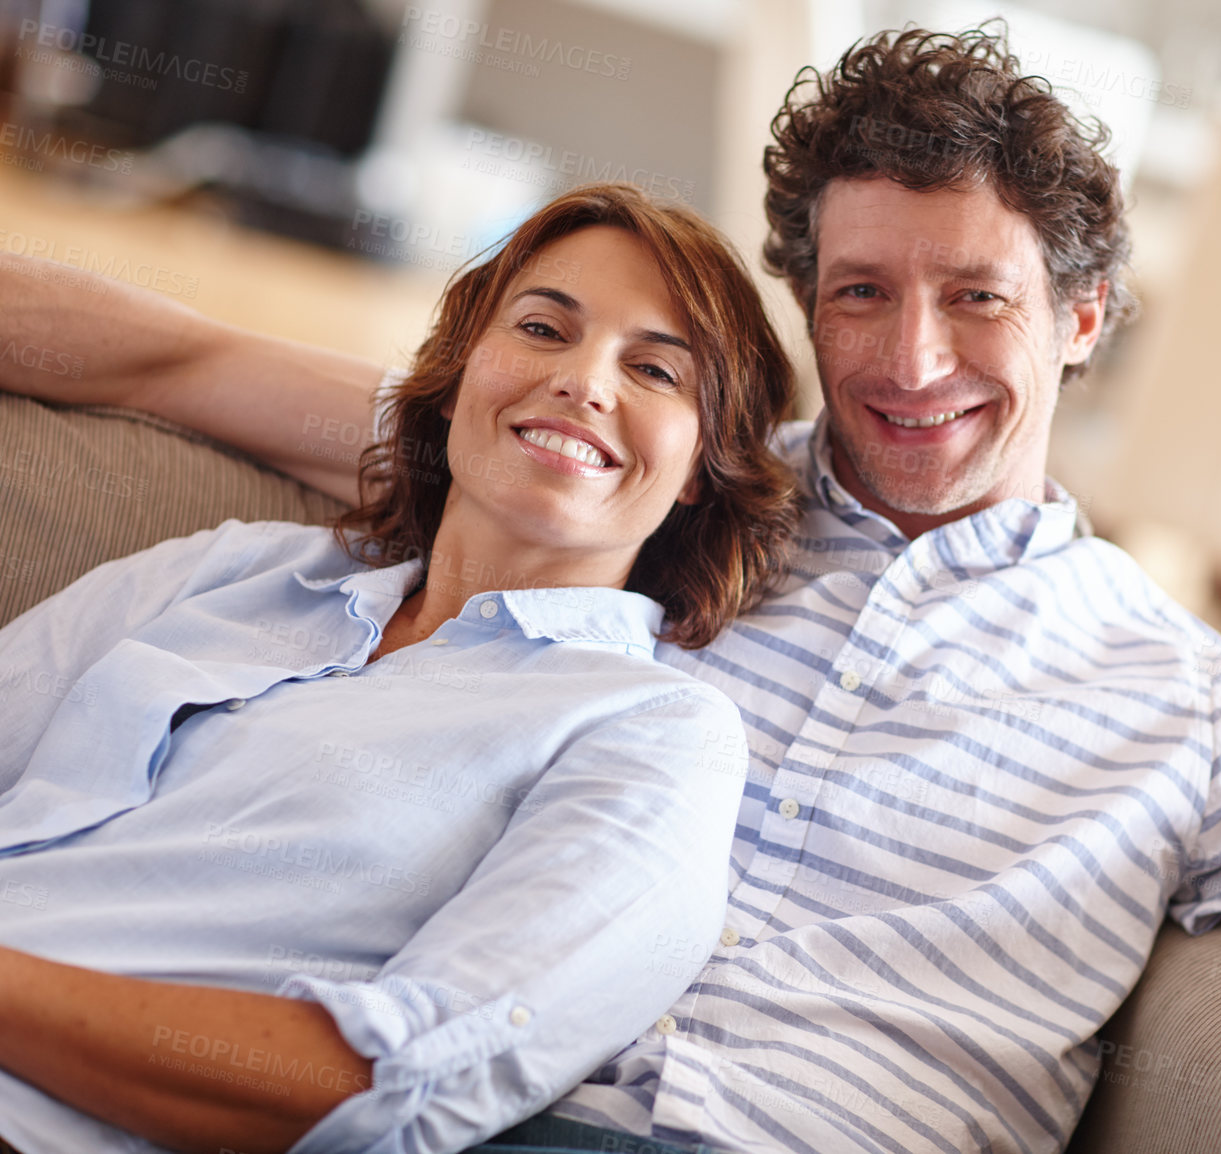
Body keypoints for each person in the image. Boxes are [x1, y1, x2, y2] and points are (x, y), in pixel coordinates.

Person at [0, 27, 1221, 1154]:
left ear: (1083, 314)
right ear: (805, 299)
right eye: (860, 292)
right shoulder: (642, 485)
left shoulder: (1195, 708)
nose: (911, 359)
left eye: (977, 298)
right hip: (454, 1105)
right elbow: (178, 350)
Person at [0, 183, 799, 1153]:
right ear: (462, 372)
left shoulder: (653, 731)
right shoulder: (241, 567)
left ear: (704, 467)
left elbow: (382, 1090)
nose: (584, 381)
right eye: (544, 327)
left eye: (656, 372)